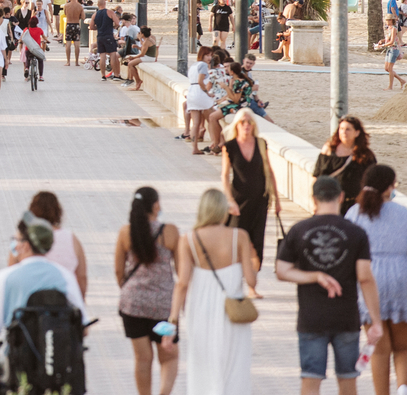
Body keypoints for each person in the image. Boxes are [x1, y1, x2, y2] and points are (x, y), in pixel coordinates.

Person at [0, 212, 89, 395]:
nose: (13, 246)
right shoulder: (65, 277)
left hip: (18, 372)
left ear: (25, 246)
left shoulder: (6, 278)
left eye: (15, 240)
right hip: (61, 373)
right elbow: (84, 327)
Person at [277, 176, 384, 395]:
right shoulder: (356, 233)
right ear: (341, 197)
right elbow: (365, 277)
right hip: (346, 317)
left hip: (311, 317)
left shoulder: (299, 230)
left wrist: (314, 276)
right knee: (347, 380)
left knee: (310, 379)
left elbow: (281, 270)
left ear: (313, 198)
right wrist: (376, 321)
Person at [345, 165, 407, 395]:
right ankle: (404, 390)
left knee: (379, 350)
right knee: (404, 347)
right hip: (402, 278)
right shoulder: (405, 212)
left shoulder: (354, 213)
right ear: (389, 187)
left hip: (369, 280)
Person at [166, 188, 256, 395]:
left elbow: (182, 283)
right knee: (234, 366)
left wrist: (173, 320)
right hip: (232, 311)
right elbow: (252, 281)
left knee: (203, 365)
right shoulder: (239, 236)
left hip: (200, 310)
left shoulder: (188, 239)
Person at [115, 187, 179, 395]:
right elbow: (180, 269)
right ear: (155, 205)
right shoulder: (169, 231)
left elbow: (118, 270)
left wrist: (130, 292)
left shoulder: (126, 232)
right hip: (163, 306)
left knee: (142, 359)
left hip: (133, 304)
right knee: (168, 356)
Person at [221, 108, 282, 298]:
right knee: (237, 244)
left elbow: (270, 172)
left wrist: (277, 200)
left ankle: (252, 287)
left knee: (257, 244)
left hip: (260, 201)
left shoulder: (261, 144)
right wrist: (230, 201)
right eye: (242, 122)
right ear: (237, 125)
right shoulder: (229, 146)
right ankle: (233, 284)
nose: (246, 125)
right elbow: (224, 176)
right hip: (238, 203)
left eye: (249, 122)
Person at [313, 115, 377, 216]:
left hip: (356, 204)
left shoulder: (365, 155)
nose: (343, 132)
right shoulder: (329, 150)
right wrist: (315, 202)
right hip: (331, 203)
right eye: (341, 129)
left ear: (357, 132)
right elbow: (317, 176)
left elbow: (372, 181)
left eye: (348, 129)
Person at [29, 191, 88, 296]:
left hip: (29, 304)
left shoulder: (23, 239)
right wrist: (80, 301)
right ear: (58, 212)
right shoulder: (72, 239)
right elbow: (82, 277)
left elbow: (12, 269)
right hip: (63, 304)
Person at [374, 14, 407, 89]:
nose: (388, 21)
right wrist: (382, 41)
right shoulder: (388, 28)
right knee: (387, 68)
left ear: (392, 20)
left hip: (393, 49)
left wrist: (382, 46)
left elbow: (392, 41)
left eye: (389, 20)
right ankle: (401, 80)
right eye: (387, 20)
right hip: (389, 49)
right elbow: (388, 39)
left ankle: (390, 86)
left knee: (390, 68)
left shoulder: (393, 28)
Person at [93, 0, 121, 81]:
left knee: (102, 56)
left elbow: (91, 26)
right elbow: (117, 23)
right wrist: (112, 27)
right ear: (105, 4)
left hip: (100, 36)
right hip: (108, 35)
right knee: (112, 55)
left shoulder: (95, 14)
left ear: (98, 5)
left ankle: (102, 75)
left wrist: (99, 27)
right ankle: (115, 75)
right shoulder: (110, 12)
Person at [20, 15, 48, 82]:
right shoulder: (39, 30)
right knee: (40, 60)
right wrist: (46, 40)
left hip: (28, 49)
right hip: (36, 50)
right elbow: (44, 37)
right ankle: (41, 76)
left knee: (28, 58)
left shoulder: (26, 30)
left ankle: (27, 68)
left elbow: (22, 38)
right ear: (37, 23)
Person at [63, 0, 85, 66]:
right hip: (76, 24)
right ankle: (76, 61)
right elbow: (83, 17)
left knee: (68, 44)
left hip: (69, 24)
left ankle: (68, 61)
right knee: (76, 44)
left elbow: (65, 13)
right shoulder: (80, 6)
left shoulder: (66, 5)